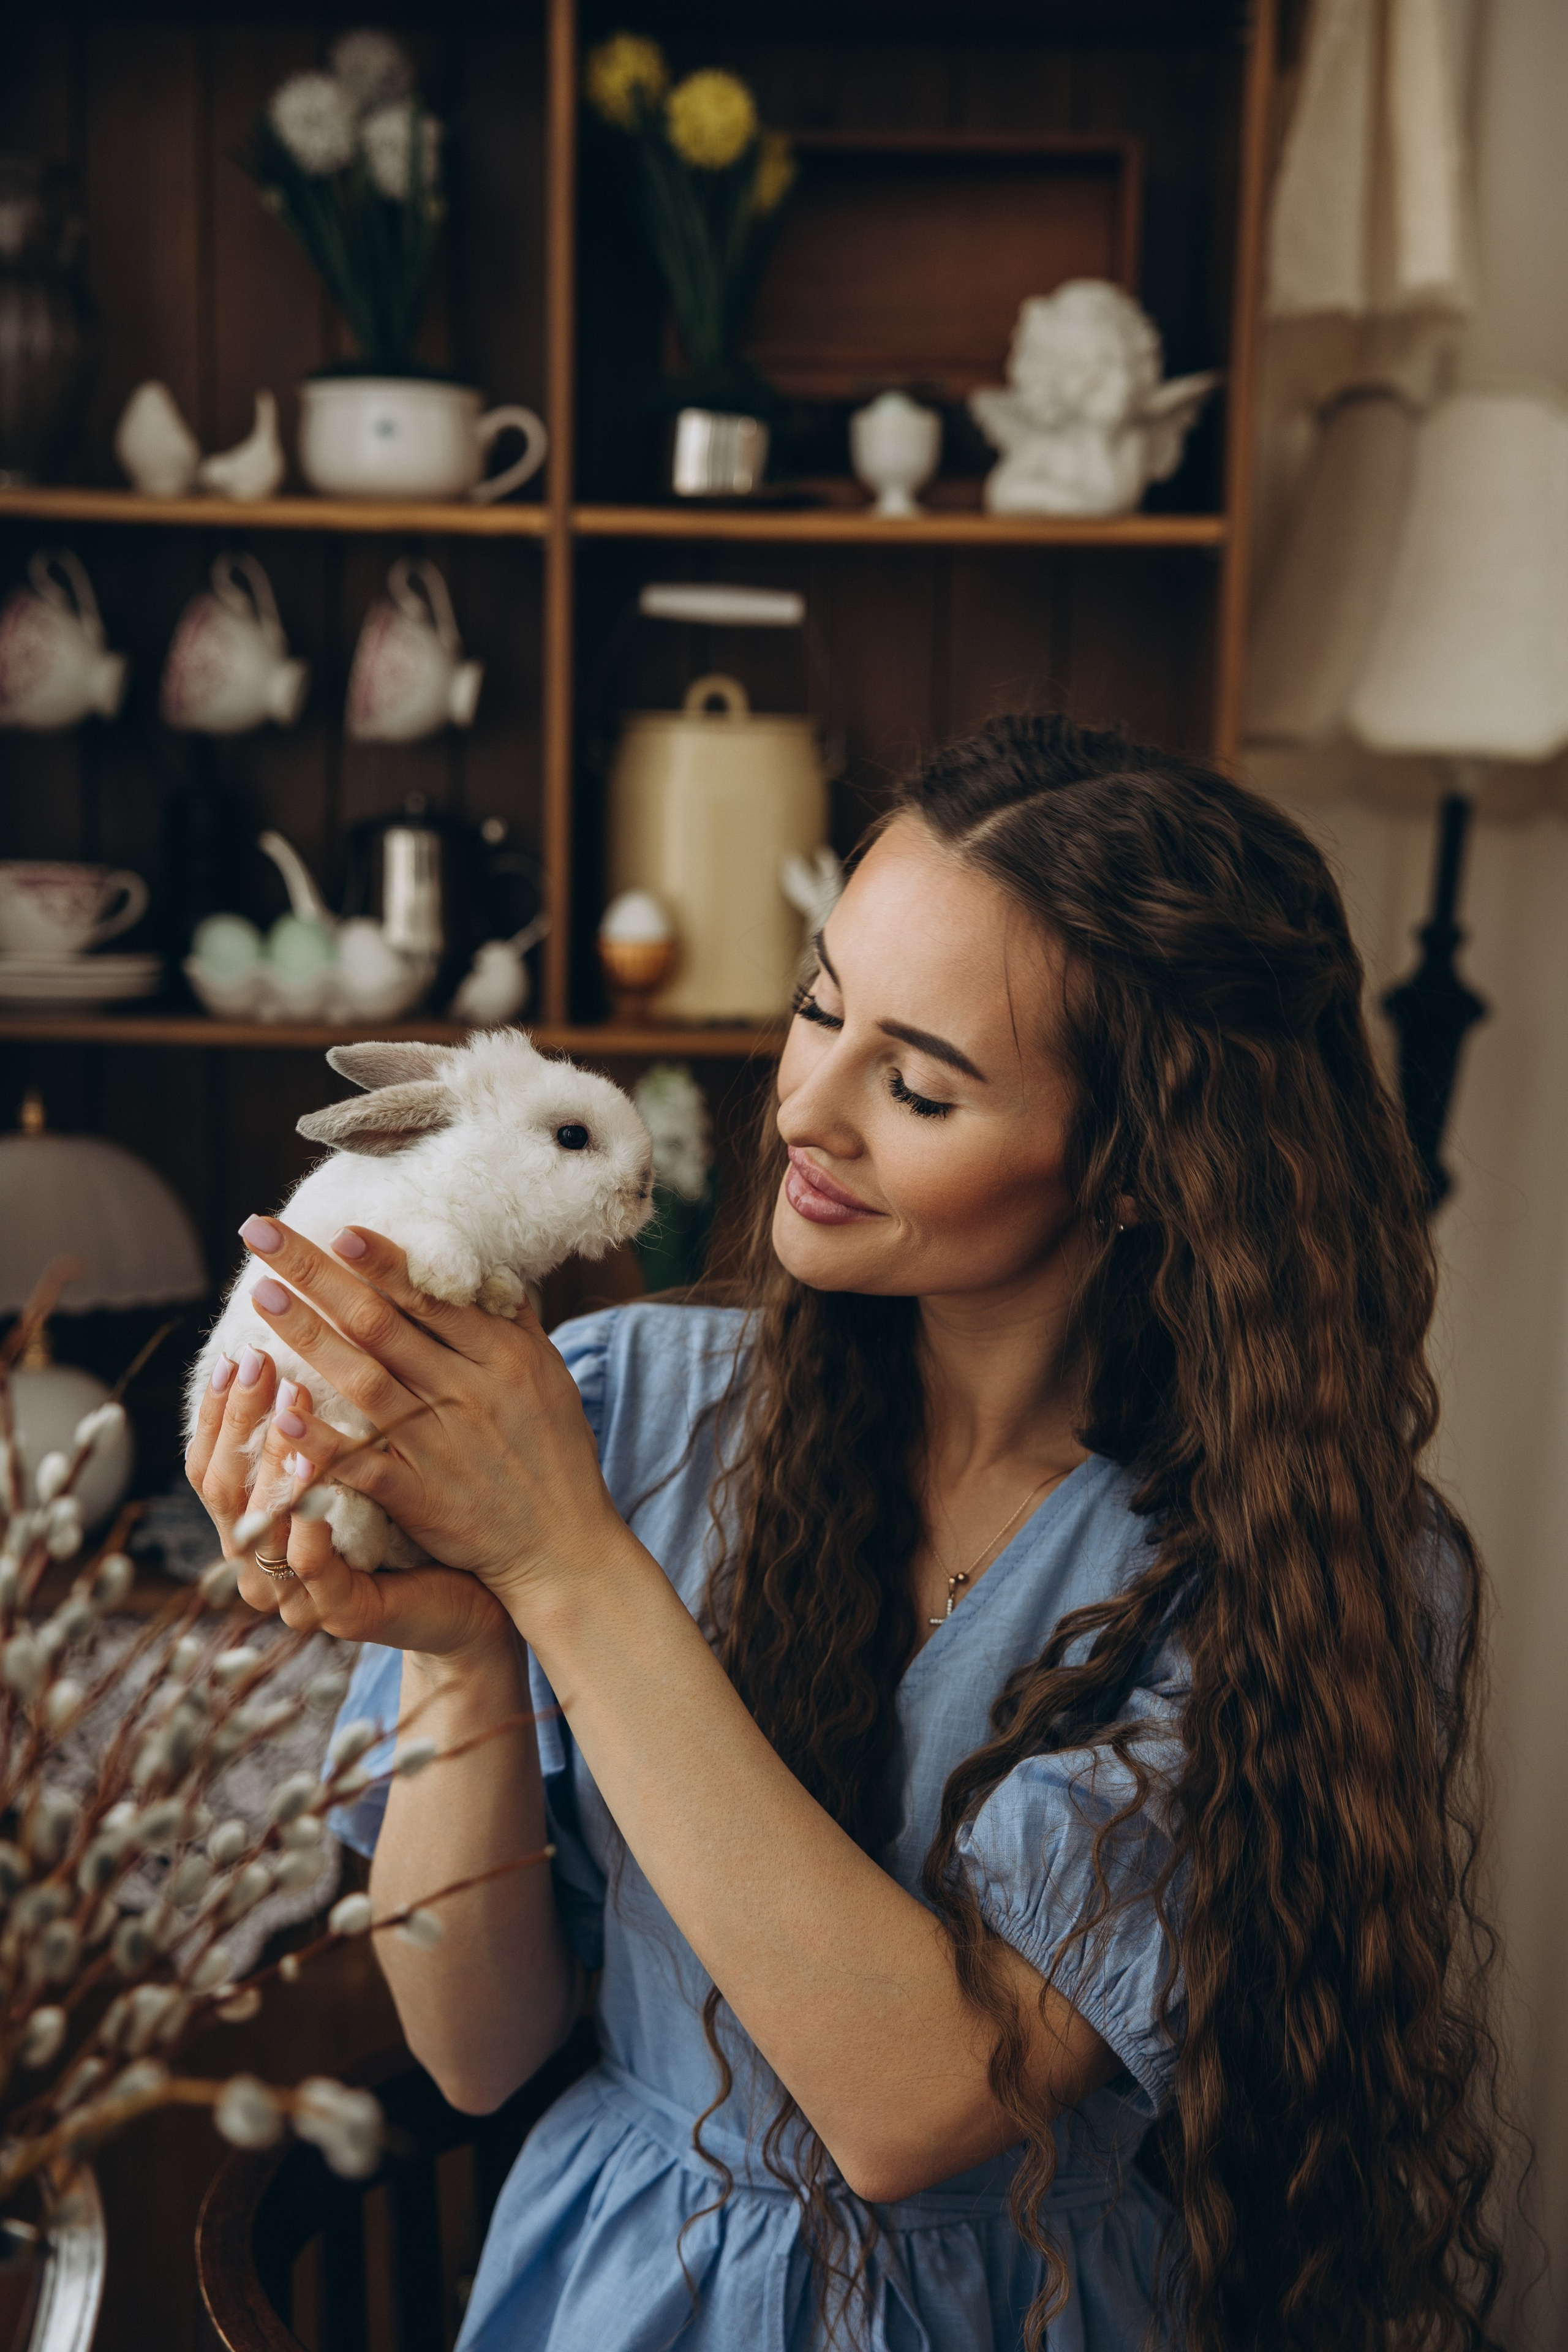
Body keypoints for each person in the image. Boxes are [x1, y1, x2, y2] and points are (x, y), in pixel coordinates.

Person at [187, 717, 1508, 2352]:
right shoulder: (614, 1401)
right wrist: (464, 1648)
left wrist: (561, 1564)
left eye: (921, 1084)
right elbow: (477, 2050)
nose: (805, 1110)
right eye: (820, 1006)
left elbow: (916, 2106)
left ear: (1136, 1172)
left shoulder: (1308, 1571)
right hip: (615, 2298)